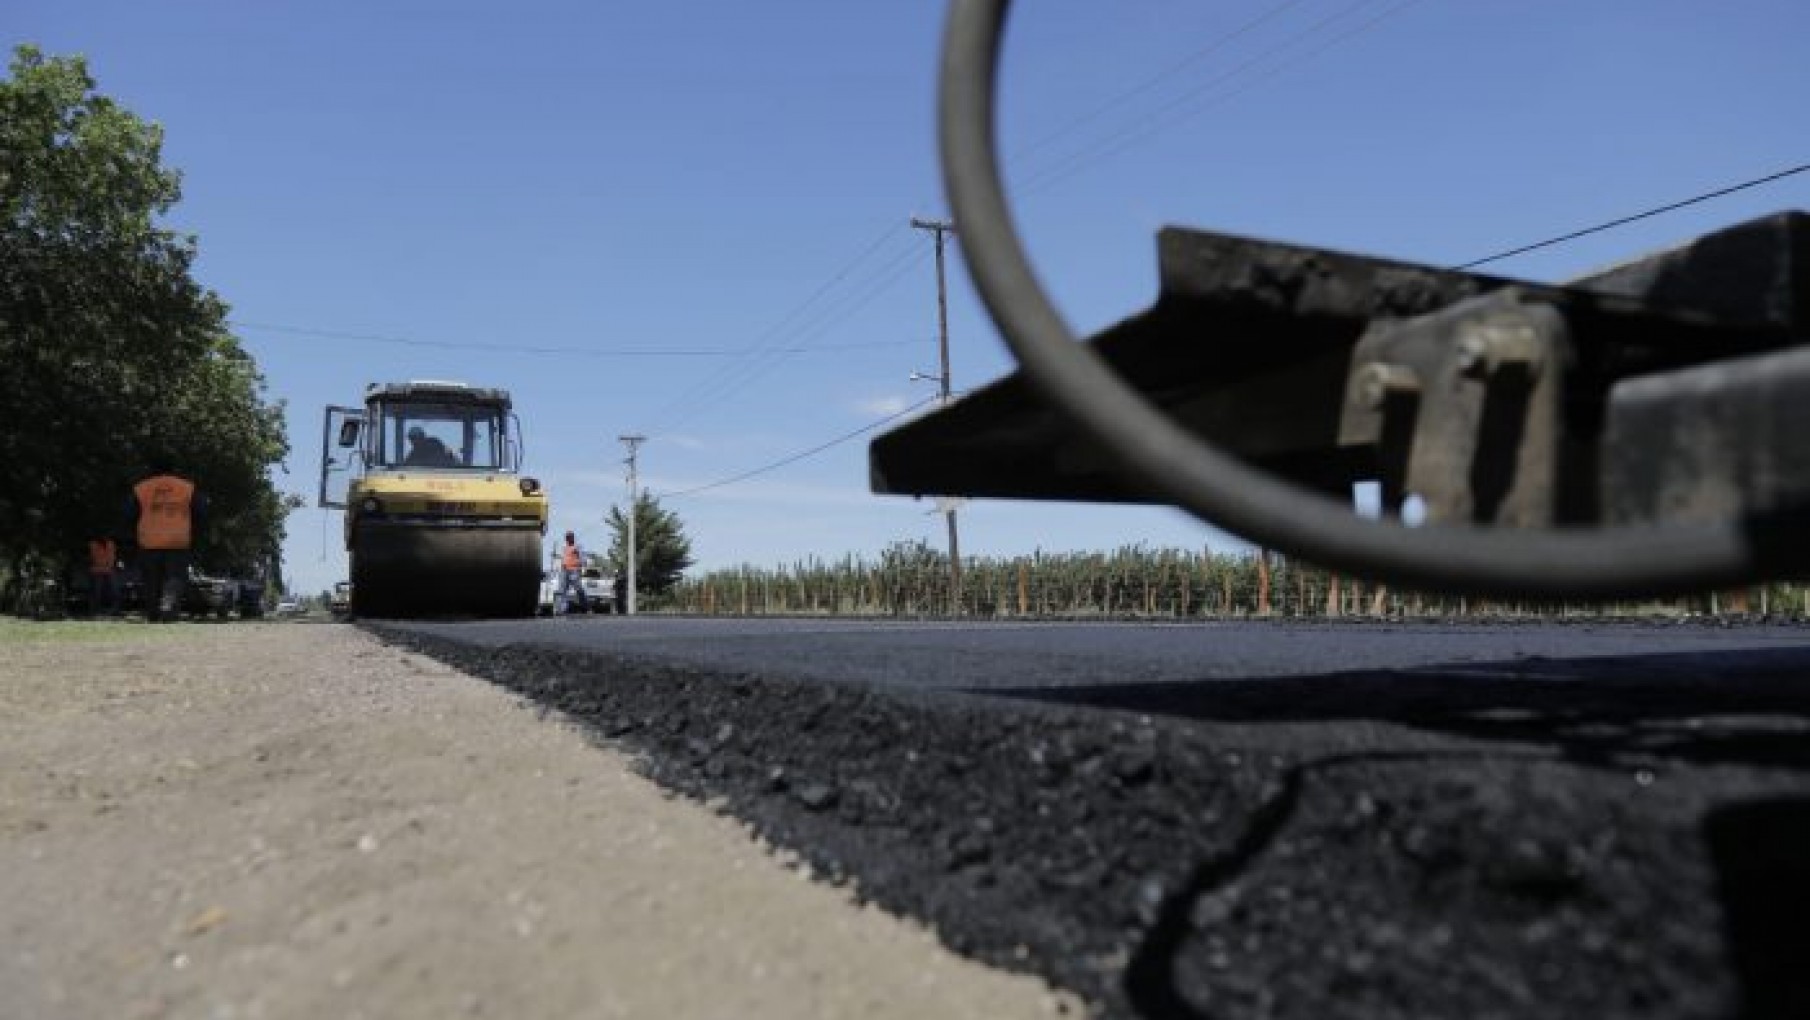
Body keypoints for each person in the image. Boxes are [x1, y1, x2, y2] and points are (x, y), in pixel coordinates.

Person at [124, 461, 206, 622]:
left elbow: (128, 513)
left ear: (152, 471)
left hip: (149, 542)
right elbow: (202, 510)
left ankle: (153, 613)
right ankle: (169, 610)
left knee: (151, 580)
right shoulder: (187, 487)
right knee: (174, 579)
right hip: (177, 542)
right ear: (173, 471)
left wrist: (135, 532)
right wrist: (193, 528)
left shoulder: (142, 488)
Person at [554, 531, 587, 615]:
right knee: (562, 590)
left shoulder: (577, 547)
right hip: (564, 570)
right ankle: (561, 609)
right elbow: (560, 558)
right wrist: (559, 567)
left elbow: (583, 558)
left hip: (574, 570)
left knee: (578, 588)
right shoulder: (563, 547)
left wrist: (581, 566)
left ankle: (584, 607)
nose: (568, 539)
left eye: (569, 537)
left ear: (573, 538)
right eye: (567, 538)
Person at [87, 534, 119, 616]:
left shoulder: (110, 544)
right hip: (98, 570)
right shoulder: (93, 544)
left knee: (113, 590)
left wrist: (109, 567)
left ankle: (113, 609)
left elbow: (112, 557)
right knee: (97, 591)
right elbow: (93, 557)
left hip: (107, 570)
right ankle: (95, 610)